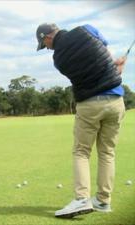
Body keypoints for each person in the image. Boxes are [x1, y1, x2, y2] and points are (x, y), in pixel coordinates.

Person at [36, 23, 127, 218]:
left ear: (48, 37)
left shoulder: (58, 60)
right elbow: (102, 49)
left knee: (81, 152)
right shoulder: (86, 29)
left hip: (89, 104)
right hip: (115, 100)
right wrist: (117, 67)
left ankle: (81, 199)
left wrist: (111, 68)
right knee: (107, 152)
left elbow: (90, 70)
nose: (47, 49)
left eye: (45, 44)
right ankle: (103, 201)